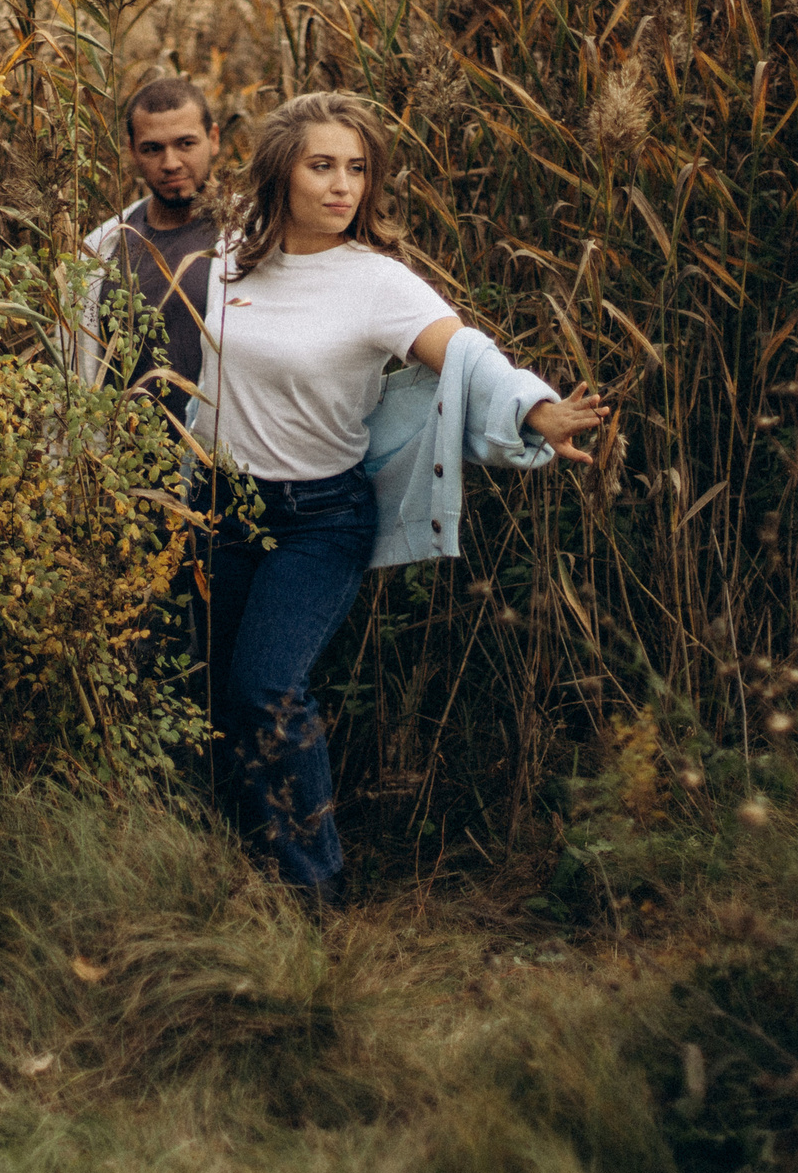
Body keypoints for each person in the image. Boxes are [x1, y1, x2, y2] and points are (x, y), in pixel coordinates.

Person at [189, 90, 612, 909]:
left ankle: (311, 893)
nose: (342, 185)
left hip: (318, 521)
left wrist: (534, 408)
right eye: (322, 166)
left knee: (266, 689)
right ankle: (230, 863)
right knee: (209, 693)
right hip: (217, 509)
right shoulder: (228, 257)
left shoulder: (378, 283)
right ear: (282, 171)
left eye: (356, 168)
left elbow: (469, 356)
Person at [74, 77, 223, 419]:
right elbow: (80, 367)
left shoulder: (253, 238)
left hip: (217, 462)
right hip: (123, 461)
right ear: (132, 151)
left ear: (213, 139)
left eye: (186, 143)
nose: (170, 163)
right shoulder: (103, 246)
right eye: (153, 148)